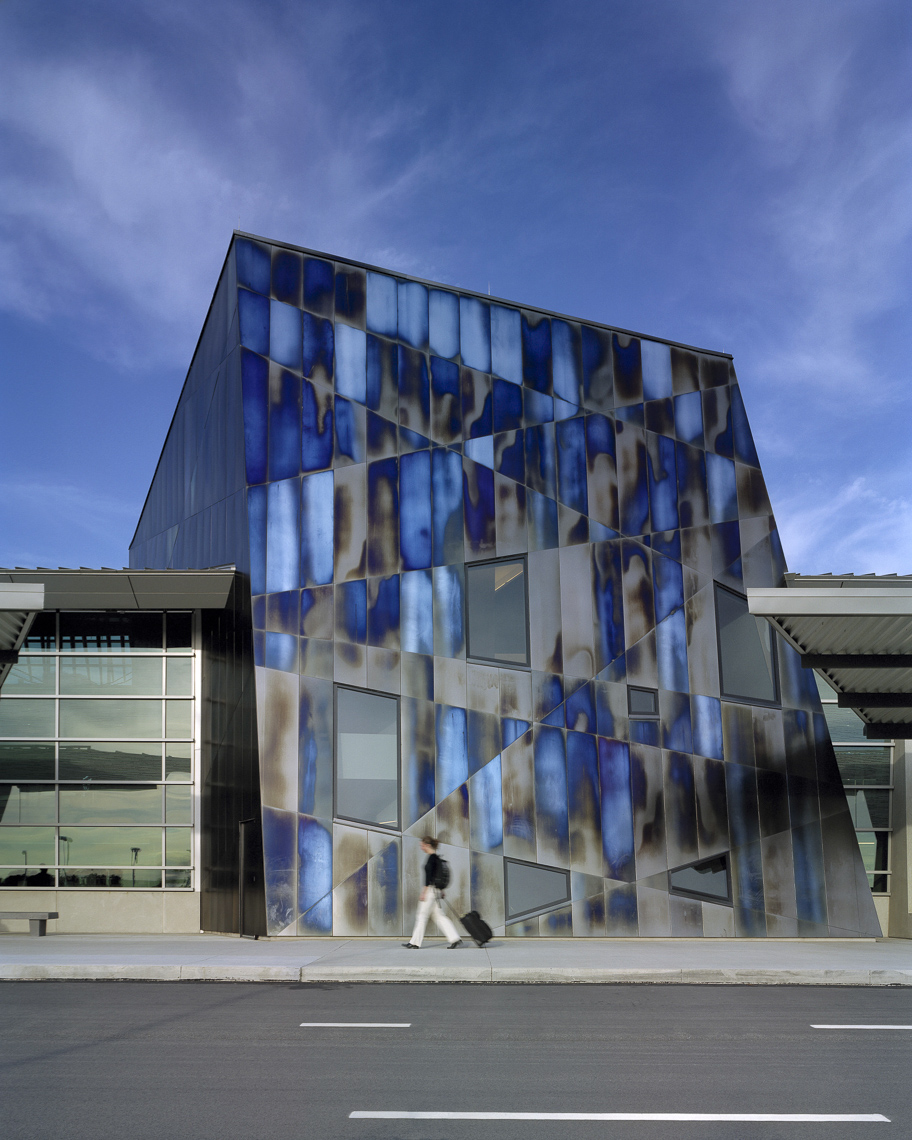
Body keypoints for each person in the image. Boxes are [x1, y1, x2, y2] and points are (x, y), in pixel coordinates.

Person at [403, 836, 462, 949]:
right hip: (436, 891)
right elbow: (437, 876)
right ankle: (455, 938)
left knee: (421, 916)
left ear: (427, 845)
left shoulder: (431, 859)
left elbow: (429, 878)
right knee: (439, 916)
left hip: (430, 891)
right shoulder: (437, 858)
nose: (421, 848)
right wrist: (441, 890)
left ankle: (415, 943)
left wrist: (423, 892)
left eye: (422, 846)